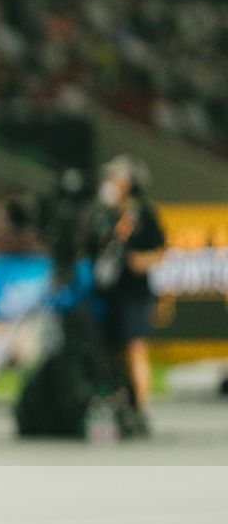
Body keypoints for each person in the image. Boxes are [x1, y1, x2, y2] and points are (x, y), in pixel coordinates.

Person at [90, 154, 165, 420]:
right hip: (109, 292)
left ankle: (141, 409)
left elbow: (159, 250)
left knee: (136, 348)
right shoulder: (105, 214)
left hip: (135, 292)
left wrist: (140, 261)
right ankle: (122, 402)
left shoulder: (143, 212)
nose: (111, 181)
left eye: (117, 176)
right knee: (112, 351)